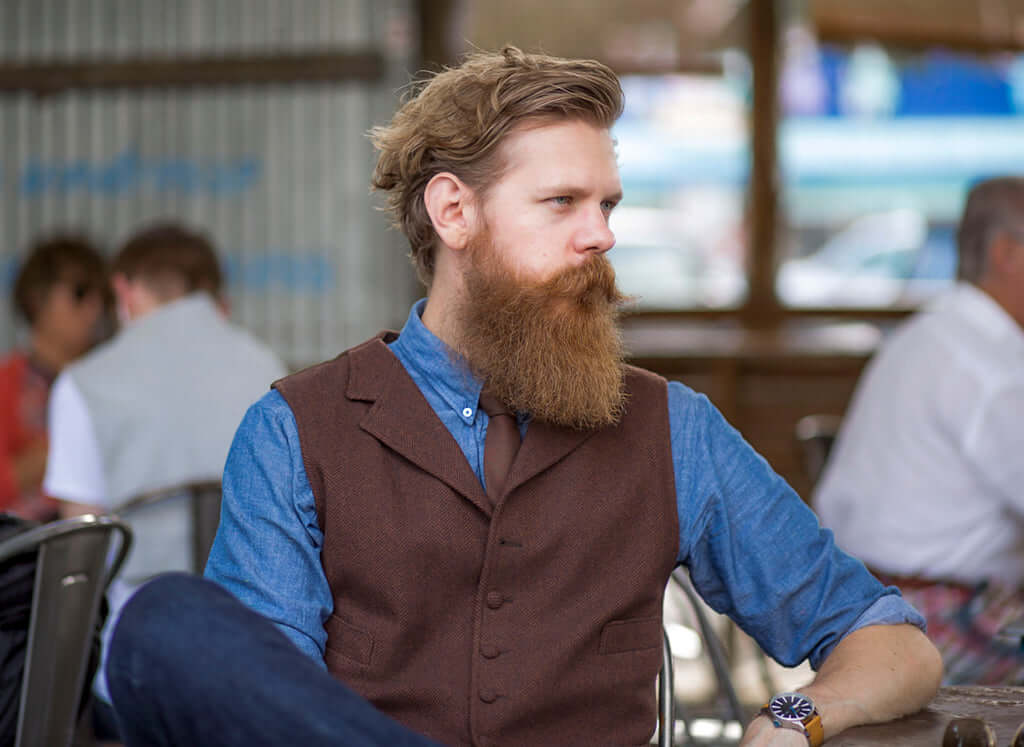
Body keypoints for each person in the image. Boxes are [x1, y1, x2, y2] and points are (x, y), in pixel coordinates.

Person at [107, 48, 941, 747]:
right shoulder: (294, 431)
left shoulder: (671, 428)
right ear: (453, 210)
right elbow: (267, 712)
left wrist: (795, 715)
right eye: (562, 203)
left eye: (607, 204)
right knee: (162, 624)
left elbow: (893, 640)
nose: (603, 235)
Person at [41, 222, 288, 731]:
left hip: (135, 665)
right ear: (215, 295)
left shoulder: (83, 384)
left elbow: (81, 551)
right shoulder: (272, 369)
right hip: (259, 656)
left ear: (123, 291)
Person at [815, 176, 1024, 685]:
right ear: (1008, 254)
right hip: (932, 623)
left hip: (853, 609)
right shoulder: (995, 368)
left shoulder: (925, 333)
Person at [0, 236, 108, 522]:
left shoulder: (111, 382)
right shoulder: (6, 384)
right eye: (80, 293)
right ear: (38, 298)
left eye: (103, 296)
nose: (94, 308)